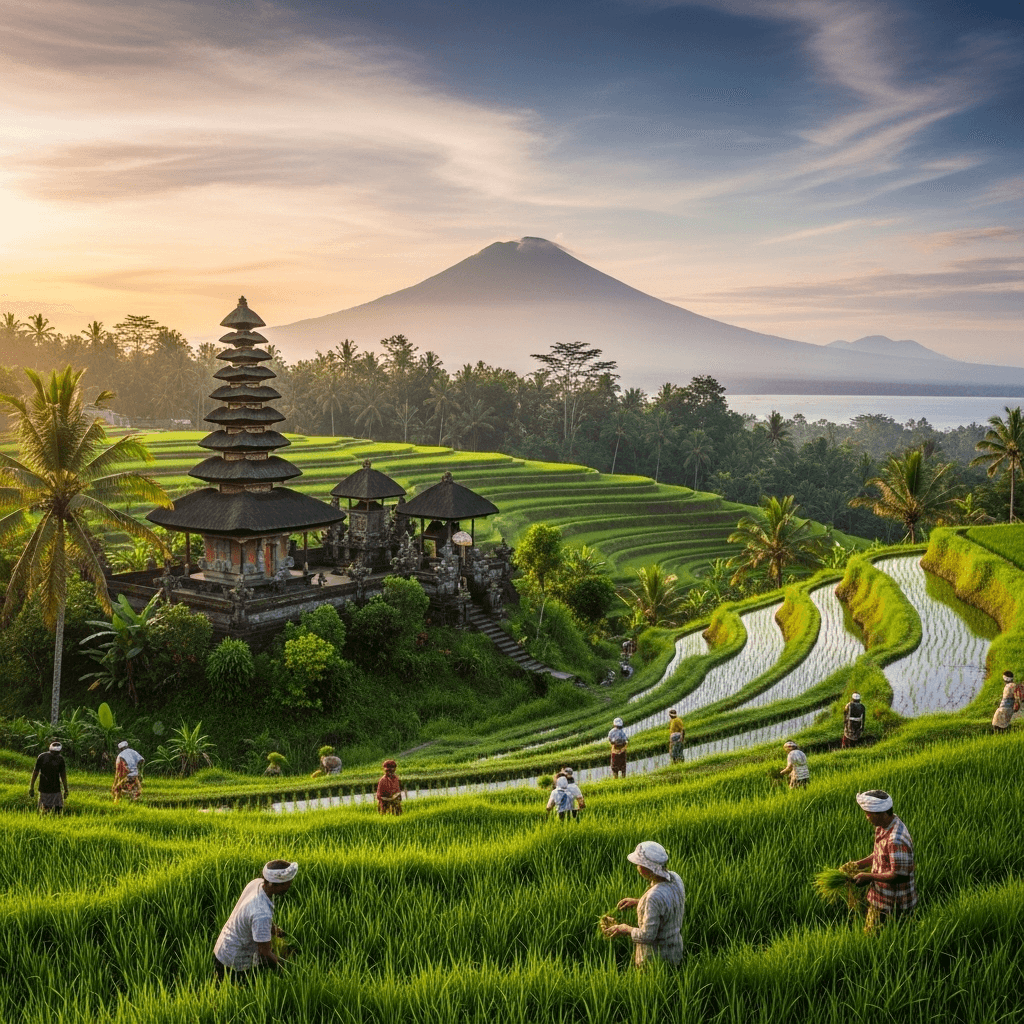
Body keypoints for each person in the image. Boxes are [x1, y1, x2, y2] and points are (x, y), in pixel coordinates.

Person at [213, 860, 298, 983]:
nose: (290, 884)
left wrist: (276, 931)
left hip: (223, 948)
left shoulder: (257, 884)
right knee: (242, 991)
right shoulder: (262, 914)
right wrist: (286, 969)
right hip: (234, 963)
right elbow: (265, 952)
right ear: (277, 885)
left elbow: (253, 918)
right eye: (288, 882)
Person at [605, 841, 685, 968]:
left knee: (653, 986)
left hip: (654, 961)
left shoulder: (653, 897)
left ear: (644, 867)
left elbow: (647, 936)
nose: (637, 867)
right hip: (675, 952)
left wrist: (625, 929)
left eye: (638, 864)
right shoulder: (675, 878)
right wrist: (639, 902)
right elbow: (668, 903)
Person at [848, 790, 916, 934]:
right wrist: (858, 864)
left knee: (879, 939)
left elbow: (899, 875)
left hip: (893, 903)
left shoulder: (896, 839)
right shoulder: (883, 826)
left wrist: (869, 876)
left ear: (881, 813)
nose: (866, 817)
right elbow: (879, 854)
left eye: (868, 814)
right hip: (880, 895)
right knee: (872, 935)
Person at [29, 740, 68, 814]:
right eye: (53, 752)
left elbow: (63, 776)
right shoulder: (42, 757)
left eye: (56, 753)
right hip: (45, 790)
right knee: (44, 810)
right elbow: (35, 773)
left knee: (58, 810)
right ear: (50, 750)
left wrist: (66, 790)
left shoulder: (60, 759)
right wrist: (31, 787)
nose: (54, 754)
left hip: (55, 790)